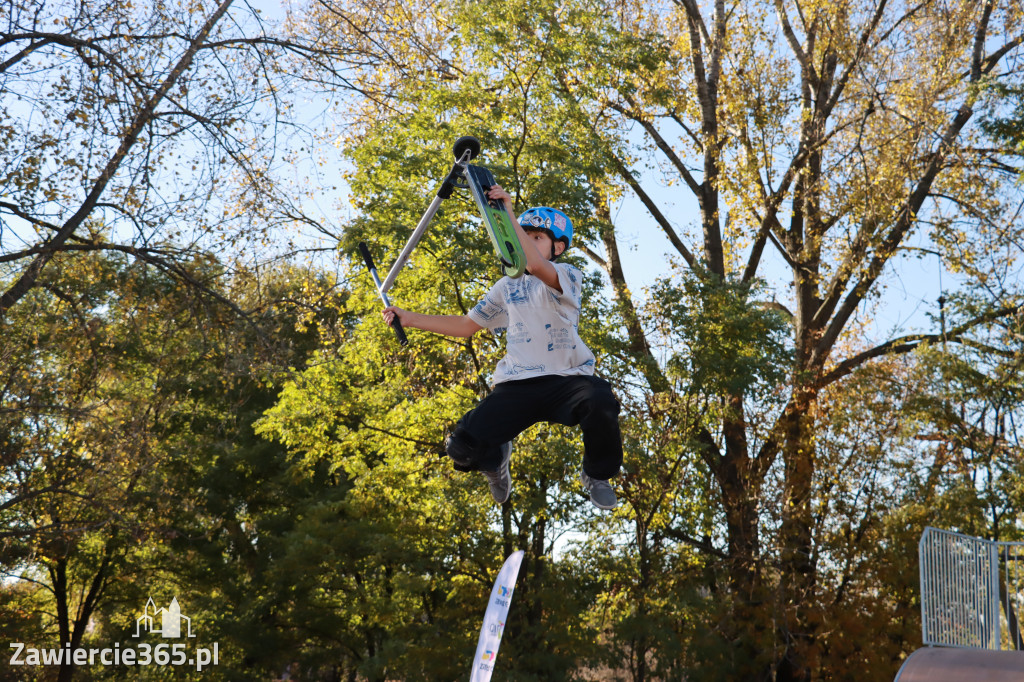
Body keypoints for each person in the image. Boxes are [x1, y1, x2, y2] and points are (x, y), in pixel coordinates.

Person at [382, 186, 623, 510]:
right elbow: (467, 326)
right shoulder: (506, 287)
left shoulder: (566, 275)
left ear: (558, 247)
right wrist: (409, 318)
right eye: (522, 236)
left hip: (567, 381)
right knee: (460, 446)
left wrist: (508, 213)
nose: (527, 243)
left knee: (600, 399)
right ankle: (494, 462)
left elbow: (537, 266)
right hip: (517, 386)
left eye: (537, 238)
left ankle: (597, 473)